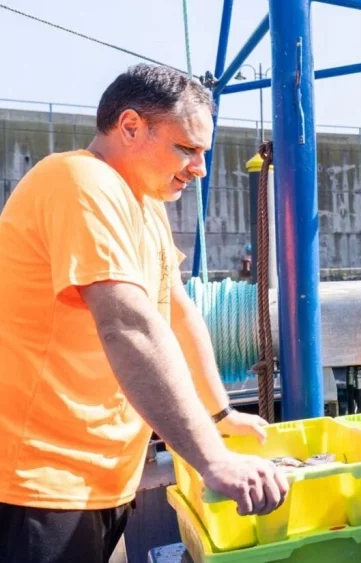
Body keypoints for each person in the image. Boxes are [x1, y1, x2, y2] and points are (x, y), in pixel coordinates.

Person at [0, 63, 289, 563]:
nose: (200, 168)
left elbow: (175, 311)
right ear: (130, 126)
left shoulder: (143, 203)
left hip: (104, 475)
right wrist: (213, 459)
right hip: (38, 481)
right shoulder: (78, 180)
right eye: (187, 148)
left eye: (204, 152)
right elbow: (128, 325)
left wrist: (220, 413)